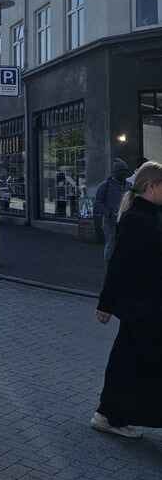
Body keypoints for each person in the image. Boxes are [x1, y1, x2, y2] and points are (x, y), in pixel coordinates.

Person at [91, 160, 162, 439]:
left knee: (128, 360)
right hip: (143, 306)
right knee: (132, 361)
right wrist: (105, 304)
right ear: (152, 187)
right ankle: (111, 415)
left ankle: (110, 414)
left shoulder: (149, 216)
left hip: (145, 305)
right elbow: (119, 264)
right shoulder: (138, 220)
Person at [94, 158, 130, 262]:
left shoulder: (128, 185)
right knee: (111, 244)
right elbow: (97, 203)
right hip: (110, 222)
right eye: (122, 171)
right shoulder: (105, 185)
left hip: (125, 220)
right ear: (115, 172)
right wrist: (108, 213)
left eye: (126, 171)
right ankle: (109, 267)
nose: (124, 174)